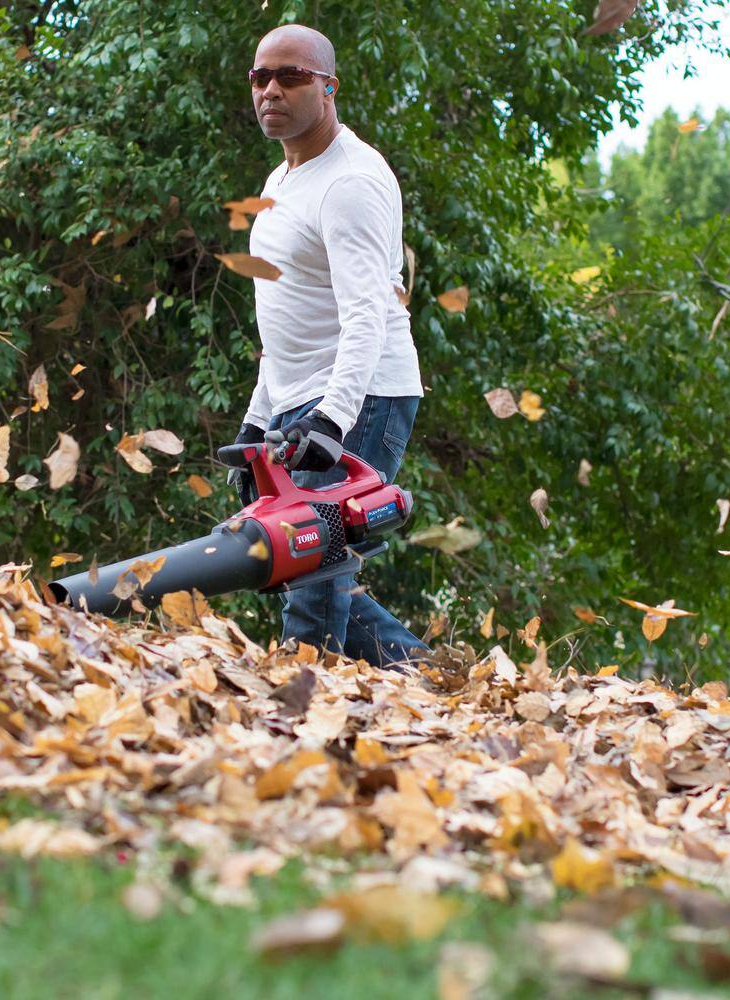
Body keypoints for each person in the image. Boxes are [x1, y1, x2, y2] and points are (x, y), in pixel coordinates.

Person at [229, 23, 429, 669]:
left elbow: (367, 314)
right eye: (260, 76)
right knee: (305, 567)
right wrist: (258, 419)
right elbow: (284, 318)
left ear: (328, 88)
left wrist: (332, 421)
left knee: (311, 567)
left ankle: (298, 712)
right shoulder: (282, 178)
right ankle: (431, 681)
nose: (271, 90)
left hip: (360, 397)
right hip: (301, 399)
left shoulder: (350, 183)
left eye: (291, 76)